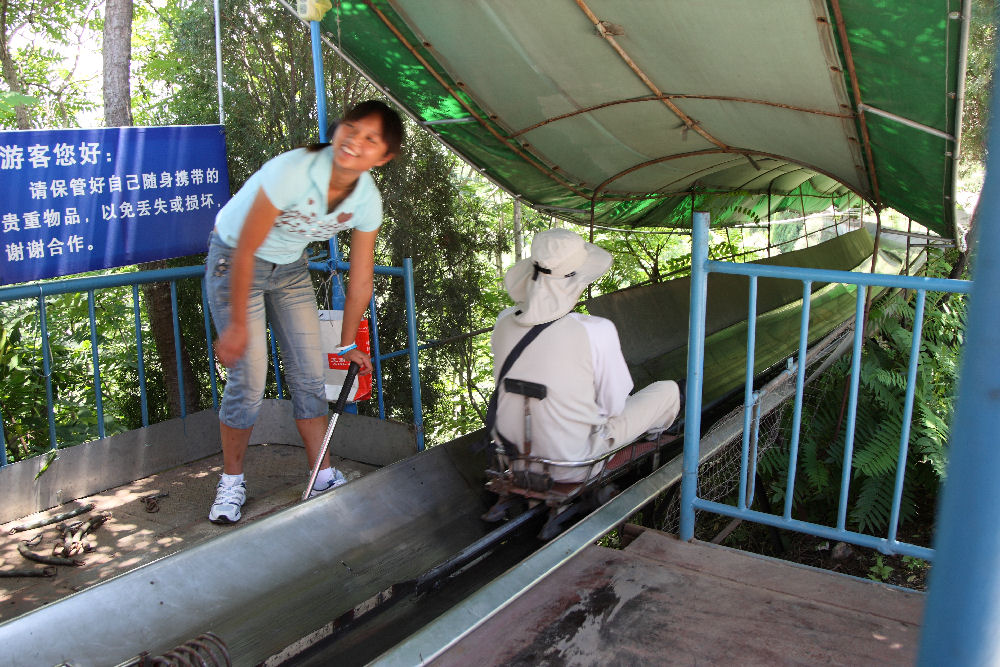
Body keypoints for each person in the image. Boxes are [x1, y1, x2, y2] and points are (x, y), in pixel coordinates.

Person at [204, 100, 403, 523]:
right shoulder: (293, 170)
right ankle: (231, 482)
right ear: (336, 130)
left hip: (290, 267)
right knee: (250, 377)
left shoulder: (367, 200)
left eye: (371, 139)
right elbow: (245, 246)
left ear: (383, 157)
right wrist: (238, 323)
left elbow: (361, 279)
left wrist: (348, 342)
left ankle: (323, 475)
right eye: (351, 128)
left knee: (310, 374)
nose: (355, 141)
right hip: (236, 258)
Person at [490, 228, 682, 483]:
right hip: (572, 464)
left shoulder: (503, 322)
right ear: (576, 281)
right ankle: (654, 438)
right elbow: (613, 405)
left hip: (512, 459)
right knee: (668, 391)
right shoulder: (594, 330)